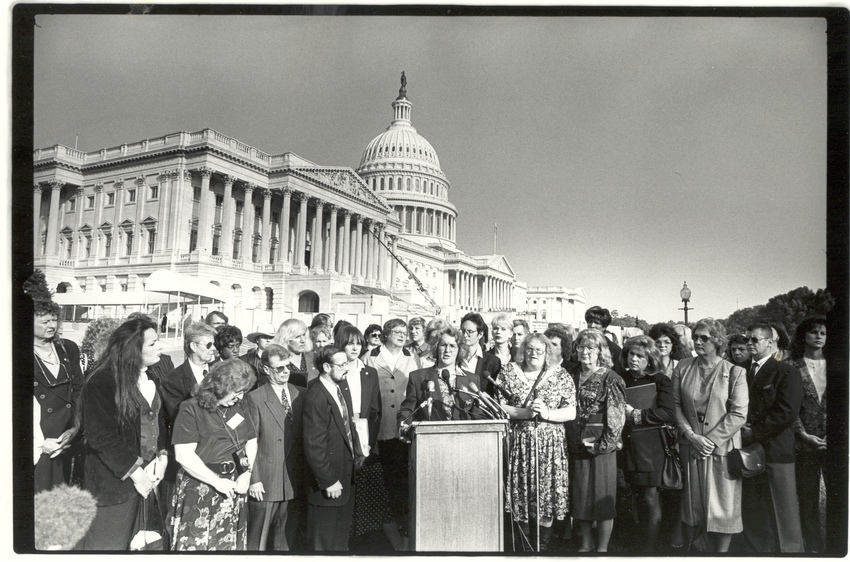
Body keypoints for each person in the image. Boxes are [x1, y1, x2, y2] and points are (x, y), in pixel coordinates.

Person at [76, 317, 168, 549]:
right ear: (132, 349)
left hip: (149, 481)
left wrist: (163, 457)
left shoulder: (151, 376)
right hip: (115, 487)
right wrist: (137, 475)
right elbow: (102, 437)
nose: (161, 347)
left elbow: (158, 420)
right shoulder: (102, 381)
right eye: (152, 343)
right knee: (108, 548)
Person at [672, 318, 748, 552]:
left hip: (722, 449)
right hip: (692, 446)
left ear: (717, 340)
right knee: (693, 506)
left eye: (704, 337)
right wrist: (692, 436)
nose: (698, 341)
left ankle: (721, 554)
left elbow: (738, 414)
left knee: (724, 506)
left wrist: (711, 441)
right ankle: (698, 551)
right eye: (695, 337)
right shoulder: (683, 367)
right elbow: (676, 406)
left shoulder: (734, 371)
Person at [498, 333, 576, 551]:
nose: (533, 354)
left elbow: (571, 411)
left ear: (547, 353)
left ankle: (542, 548)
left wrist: (548, 413)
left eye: (539, 350)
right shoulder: (508, 372)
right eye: (529, 349)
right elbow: (498, 406)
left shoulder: (560, 375)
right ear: (523, 350)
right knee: (521, 497)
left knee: (546, 499)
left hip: (550, 448)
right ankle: (525, 549)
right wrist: (525, 412)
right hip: (520, 444)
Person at [170, 359, 257, 550]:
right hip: (201, 486)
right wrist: (217, 482)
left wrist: (247, 473)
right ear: (220, 387)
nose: (241, 397)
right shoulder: (190, 408)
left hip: (234, 485)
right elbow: (183, 455)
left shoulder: (239, 406)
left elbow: (251, 439)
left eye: (244, 392)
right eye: (237, 392)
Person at [737, 322, 804, 552]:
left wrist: (754, 432)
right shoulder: (739, 371)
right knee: (753, 511)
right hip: (746, 451)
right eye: (747, 339)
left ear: (769, 342)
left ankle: (790, 554)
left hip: (776, 450)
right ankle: (758, 553)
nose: (749, 344)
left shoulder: (787, 372)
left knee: (783, 515)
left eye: (755, 340)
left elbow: (787, 412)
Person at [566, 329, 625, 553]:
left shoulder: (611, 378)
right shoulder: (571, 375)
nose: (585, 352)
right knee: (580, 495)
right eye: (581, 347)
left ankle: (602, 548)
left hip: (601, 447)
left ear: (600, 351)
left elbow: (617, 419)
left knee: (602, 499)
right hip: (576, 444)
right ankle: (585, 542)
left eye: (591, 347)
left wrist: (603, 446)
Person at [334, 324, 393, 547]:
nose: (356, 347)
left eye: (359, 342)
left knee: (368, 499)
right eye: (350, 342)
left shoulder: (369, 372)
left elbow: (375, 412)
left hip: (365, 442)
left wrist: (366, 447)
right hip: (342, 438)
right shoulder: (336, 371)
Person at [244, 344, 306, 551]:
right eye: (279, 368)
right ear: (265, 369)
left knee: (285, 541)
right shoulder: (254, 398)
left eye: (288, 366)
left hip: (292, 480)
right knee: (257, 541)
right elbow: (248, 441)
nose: (286, 371)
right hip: (266, 482)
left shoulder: (300, 394)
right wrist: (254, 479)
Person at [302, 346, 365, 551]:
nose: (347, 368)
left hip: (345, 481)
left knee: (339, 545)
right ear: (327, 367)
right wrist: (328, 480)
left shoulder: (339, 389)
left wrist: (358, 450)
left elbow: (346, 428)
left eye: (347, 363)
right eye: (342, 364)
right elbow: (314, 444)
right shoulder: (316, 396)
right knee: (323, 546)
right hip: (328, 487)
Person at [363, 318, 420, 538]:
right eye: (396, 331)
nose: (402, 335)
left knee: (403, 478)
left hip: (404, 428)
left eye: (404, 332)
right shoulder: (370, 357)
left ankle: (402, 522)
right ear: (386, 334)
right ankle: (386, 528)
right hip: (382, 426)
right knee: (385, 477)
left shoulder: (411, 357)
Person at [619, 336, 676, 551]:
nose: (634, 359)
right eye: (631, 354)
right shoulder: (620, 378)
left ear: (650, 359)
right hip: (625, 444)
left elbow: (668, 413)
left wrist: (636, 414)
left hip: (650, 447)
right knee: (631, 496)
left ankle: (649, 549)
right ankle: (632, 543)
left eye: (640, 356)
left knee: (650, 496)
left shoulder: (661, 380)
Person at [787, 316, 832, 553]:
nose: (819, 336)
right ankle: (814, 549)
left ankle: (837, 546)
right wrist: (803, 434)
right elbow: (788, 406)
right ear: (803, 335)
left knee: (839, 497)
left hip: (836, 443)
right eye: (814, 332)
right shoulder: (791, 366)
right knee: (807, 500)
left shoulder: (838, 363)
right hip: (804, 443)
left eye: (823, 333)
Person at [33, 297, 84, 492]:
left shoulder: (67, 348)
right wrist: (37, 444)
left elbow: (79, 390)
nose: (52, 325)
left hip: (68, 437)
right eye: (45, 321)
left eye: (54, 320)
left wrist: (75, 429)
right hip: (42, 442)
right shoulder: (15, 352)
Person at [398, 326, 485, 425]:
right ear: (437, 347)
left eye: (452, 346)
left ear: (459, 350)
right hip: (430, 437)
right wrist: (405, 422)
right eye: (443, 345)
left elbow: (478, 415)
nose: (447, 350)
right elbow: (407, 411)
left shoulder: (472, 380)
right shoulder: (418, 377)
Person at [161, 322, 218, 425]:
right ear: (193, 346)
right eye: (209, 345)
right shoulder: (172, 381)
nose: (214, 348)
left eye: (214, 344)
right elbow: (181, 418)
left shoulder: (220, 370)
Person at [459, 312, 502, 395]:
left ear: (480, 334)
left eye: (470, 332)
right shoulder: (455, 358)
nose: (465, 335)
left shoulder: (492, 362)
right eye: (463, 331)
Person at [273, 318, 319, 387]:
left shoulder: (315, 358)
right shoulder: (277, 361)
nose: (303, 340)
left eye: (304, 335)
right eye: (297, 337)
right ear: (286, 339)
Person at [585, 306, 624, 374]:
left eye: (596, 323)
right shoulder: (577, 345)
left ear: (604, 327)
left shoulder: (614, 350)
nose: (592, 325)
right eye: (590, 322)